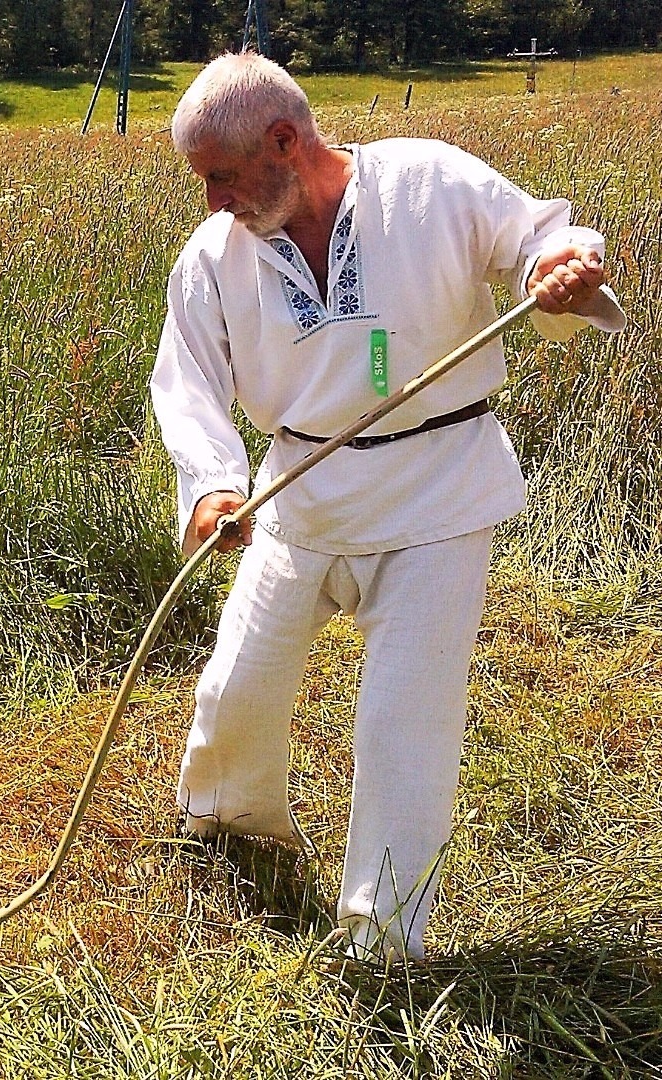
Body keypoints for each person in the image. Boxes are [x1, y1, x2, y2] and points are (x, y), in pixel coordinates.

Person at [150, 52, 625, 964]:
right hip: (300, 494)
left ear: (286, 141)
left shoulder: (428, 183)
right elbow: (188, 385)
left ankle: (382, 942)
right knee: (238, 685)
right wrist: (214, 485)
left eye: (220, 174)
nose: (212, 199)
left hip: (438, 495)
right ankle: (232, 821)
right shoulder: (214, 256)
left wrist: (560, 268)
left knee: (404, 725)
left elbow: (540, 242)